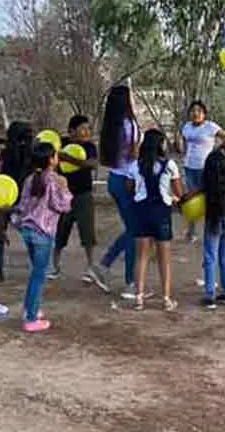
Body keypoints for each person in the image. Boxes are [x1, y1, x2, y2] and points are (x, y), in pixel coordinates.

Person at [13, 142, 73, 333]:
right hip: (43, 232)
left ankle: (31, 309)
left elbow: (22, 205)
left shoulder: (31, 179)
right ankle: (31, 318)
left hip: (28, 230)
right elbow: (62, 206)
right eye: (55, 155)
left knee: (36, 272)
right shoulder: (54, 180)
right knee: (39, 275)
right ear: (50, 159)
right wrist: (66, 189)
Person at [50, 115, 108, 291]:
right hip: (63, 196)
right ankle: (55, 265)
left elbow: (91, 164)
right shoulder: (60, 143)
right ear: (71, 131)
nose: (87, 132)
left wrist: (68, 159)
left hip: (83, 195)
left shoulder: (89, 147)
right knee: (60, 231)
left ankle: (90, 267)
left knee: (87, 233)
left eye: (88, 129)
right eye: (83, 129)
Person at [130, 129, 183, 311]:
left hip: (142, 211)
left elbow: (130, 187)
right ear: (161, 144)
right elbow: (179, 192)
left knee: (142, 256)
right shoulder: (170, 165)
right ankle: (166, 298)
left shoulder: (136, 165)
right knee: (164, 258)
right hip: (161, 211)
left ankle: (138, 296)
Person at [98, 85, 141, 299]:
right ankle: (129, 281)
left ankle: (106, 265)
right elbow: (134, 155)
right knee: (134, 231)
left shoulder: (110, 126)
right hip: (128, 180)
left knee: (132, 229)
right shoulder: (130, 125)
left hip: (114, 178)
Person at [200, 130, 225, 309]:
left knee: (210, 256)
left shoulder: (209, 167)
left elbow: (201, 186)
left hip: (213, 216)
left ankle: (209, 295)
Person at [178, 101, 222, 243]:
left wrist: (217, 153)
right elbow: (185, 143)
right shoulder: (186, 127)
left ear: (204, 113)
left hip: (206, 169)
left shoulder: (211, 127)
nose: (196, 113)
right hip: (189, 167)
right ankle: (191, 231)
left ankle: (211, 230)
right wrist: (184, 156)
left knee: (208, 198)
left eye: (199, 111)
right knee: (191, 198)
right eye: (193, 111)